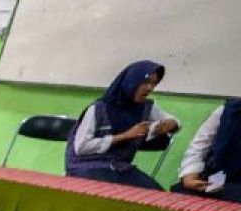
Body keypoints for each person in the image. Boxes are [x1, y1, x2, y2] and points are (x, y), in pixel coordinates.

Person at [65, 60, 180, 190]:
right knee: (108, 194)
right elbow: (81, 147)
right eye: (146, 82)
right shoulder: (98, 108)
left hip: (120, 168)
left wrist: (172, 124)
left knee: (157, 195)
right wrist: (125, 136)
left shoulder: (145, 107)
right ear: (131, 81)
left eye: (154, 83)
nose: (150, 88)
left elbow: (173, 121)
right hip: (86, 166)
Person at [171, 99, 241, 203]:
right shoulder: (228, 111)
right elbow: (199, 146)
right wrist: (190, 175)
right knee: (182, 192)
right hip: (220, 177)